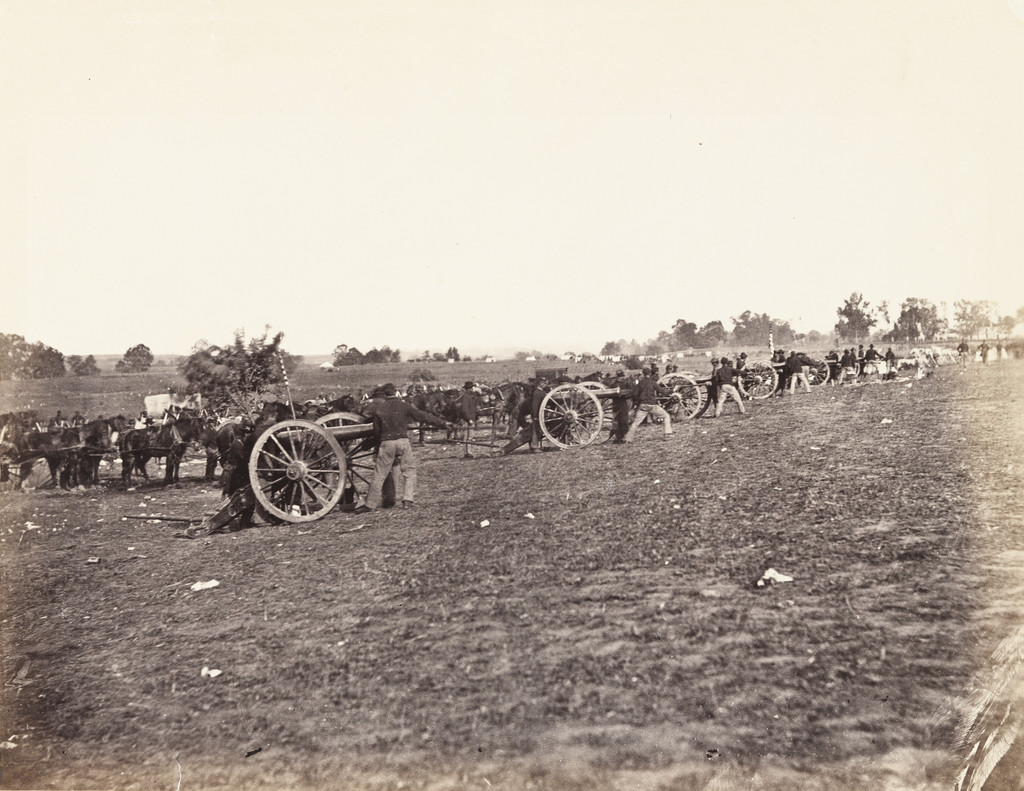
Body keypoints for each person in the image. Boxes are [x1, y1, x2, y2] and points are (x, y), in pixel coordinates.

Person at [355, 383, 450, 513]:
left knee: (379, 474)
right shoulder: (404, 405)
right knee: (409, 470)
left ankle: (370, 504)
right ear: (396, 392)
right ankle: (407, 500)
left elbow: (377, 433)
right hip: (403, 441)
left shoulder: (379, 409)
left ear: (384, 394)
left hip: (386, 443)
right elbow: (424, 416)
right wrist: (443, 423)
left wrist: (367, 445)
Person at [623, 369, 672, 442]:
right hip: (652, 405)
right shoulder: (653, 382)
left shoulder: (640, 383)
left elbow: (635, 394)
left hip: (643, 405)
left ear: (643, 374)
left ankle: (628, 439)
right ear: (650, 374)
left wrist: (638, 401)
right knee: (666, 416)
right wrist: (670, 391)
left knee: (636, 422)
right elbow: (662, 391)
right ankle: (667, 435)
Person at [603, 370, 633, 442]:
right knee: (621, 421)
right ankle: (621, 437)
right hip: (620, 404)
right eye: (620, 377)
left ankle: (621, 437)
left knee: (620, 421)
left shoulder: (615, 384)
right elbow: (631, 392)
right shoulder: (623, 384)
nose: (621, 378)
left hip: (618, 404)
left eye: (621, 377)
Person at [456, 382, 480, 458]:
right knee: (468, 436)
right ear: (468, 389)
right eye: (471, 388)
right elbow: (464, 410)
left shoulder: (467, 396)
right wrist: (469, 419)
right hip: (467, 420)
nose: (472, 389)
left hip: (469, 419)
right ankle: (468, 453)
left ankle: (468, 452)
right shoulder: (466, 397)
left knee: (469, 436)